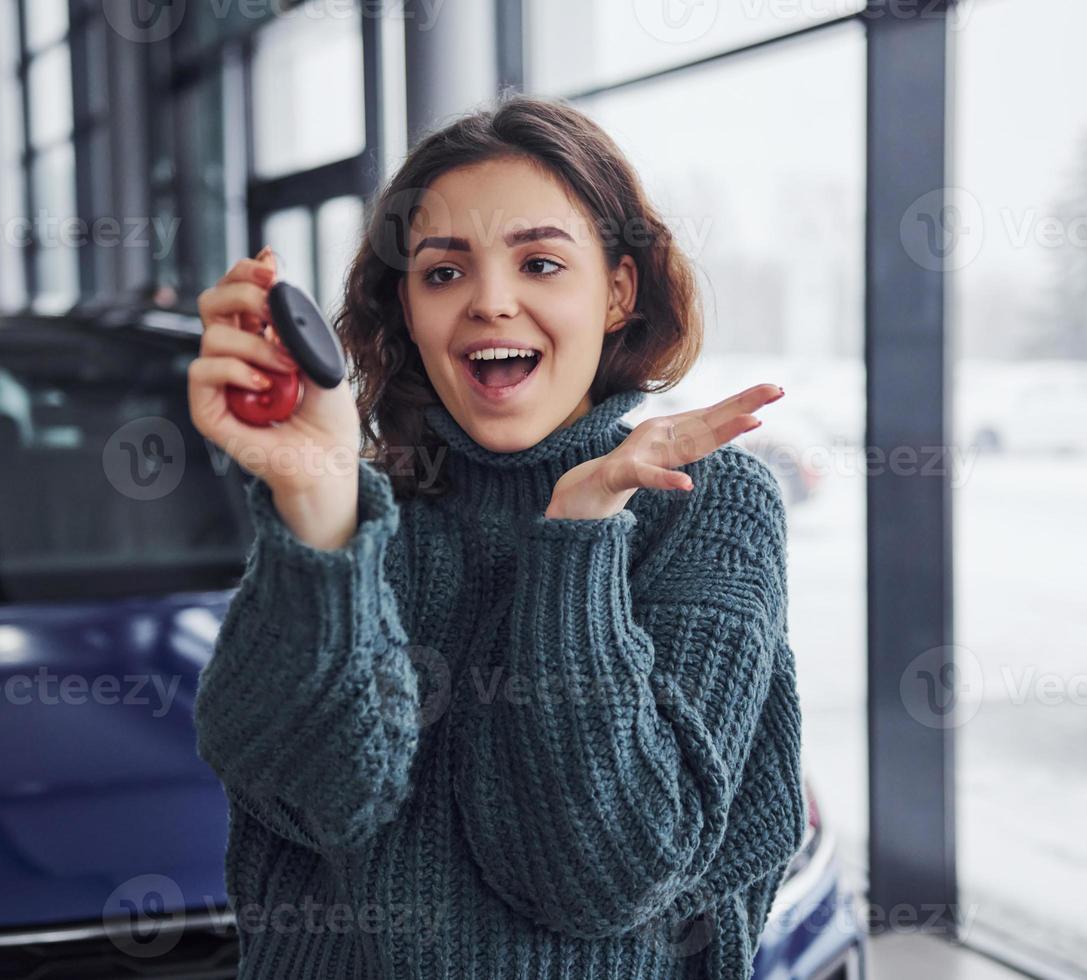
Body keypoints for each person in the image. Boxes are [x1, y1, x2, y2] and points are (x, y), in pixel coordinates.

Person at [187, 92, 807, 980]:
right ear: (405, 309)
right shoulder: (355, 522)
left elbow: (605, 874)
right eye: (443, 273)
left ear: (618, 292)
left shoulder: (707, 507)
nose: (489, 302)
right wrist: (320, 501)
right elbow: (309, 796)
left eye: (541, 264)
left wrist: (578, 544)